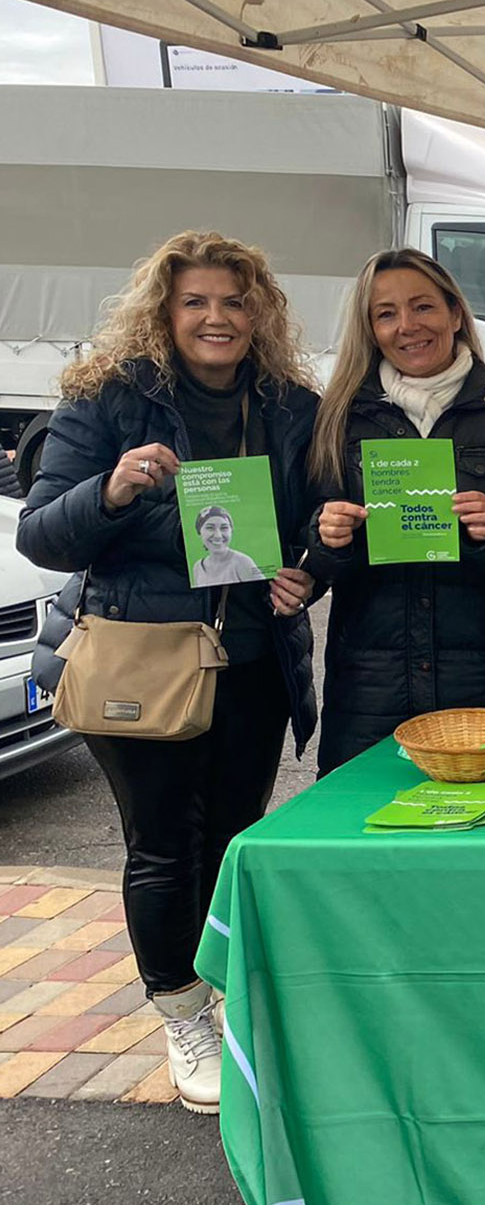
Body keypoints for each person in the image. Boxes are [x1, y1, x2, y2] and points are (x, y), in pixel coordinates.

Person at [19, 231, 320, 1115]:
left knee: (229, 836)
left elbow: (303, 524)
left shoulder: (289, 404)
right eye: (196, 301)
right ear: (165, 309)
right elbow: (42, 534)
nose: (217, 317)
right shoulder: (111, 400)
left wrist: (305, 566)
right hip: (142, 656)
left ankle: (218, 992)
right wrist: (112, 491)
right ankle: (182, 1012)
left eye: (234, 300)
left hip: (253, 656)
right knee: (161, 846)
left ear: (258, 309)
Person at [304, 249, 485, 773]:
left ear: (455, 314)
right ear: (370, 328)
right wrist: (326, 535)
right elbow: (307, 558)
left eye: (423, 307)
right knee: (364, 842)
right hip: (369, 686)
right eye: (386, 313)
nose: (408, 326)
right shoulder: (339, 419)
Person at [190, 505, 264, 585]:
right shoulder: (198, 567)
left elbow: (265, 591)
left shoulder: (243, 562)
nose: (218, 535)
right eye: (210, 528)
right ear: (199, 531)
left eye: (224, 528)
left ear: (231, 531)